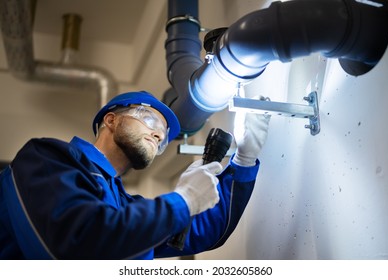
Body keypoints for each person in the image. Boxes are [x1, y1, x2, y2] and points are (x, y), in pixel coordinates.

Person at [0, 90, 270, 259]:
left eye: (163, 137)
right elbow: (76, 241)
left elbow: (203, 231)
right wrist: (183, 200)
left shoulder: (122, 205)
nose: (158, 134)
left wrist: (243, 159)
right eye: (150, 120)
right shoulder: (45, 159)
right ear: (111, 120)